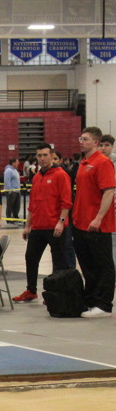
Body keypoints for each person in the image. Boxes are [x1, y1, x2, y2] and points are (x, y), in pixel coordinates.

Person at [13, 143, 72, 303]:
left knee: (59, 261)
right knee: (30, 258)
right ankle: (31, 291)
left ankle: (56, 293)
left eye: (45, 155)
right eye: (39, 155)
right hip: (38, 227)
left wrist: (61, 222)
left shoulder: (61, 175)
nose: (42, 158)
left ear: (51, 156)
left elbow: (66, 202)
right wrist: (27, 226)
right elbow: (32, 204)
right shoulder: (37, 177)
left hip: (55, 227)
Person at [71, 126, 116, 318]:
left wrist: (98, 218)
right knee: (87, 265)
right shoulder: (83, 163)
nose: (81, 142)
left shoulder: (102, 162)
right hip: (80, 223)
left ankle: (104, 305)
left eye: (85, 139)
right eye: (80, 139)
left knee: (103, 265)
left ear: (96, 142)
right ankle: (91, 300)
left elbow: (109, 192)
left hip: (97, 225)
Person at [3, 157, 22, 224]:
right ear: (13, 163)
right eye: (17, 162)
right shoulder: (8, 171)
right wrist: (9, 191)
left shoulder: (15, 170)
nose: (18, 163)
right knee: (10, 206)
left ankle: (15, 218)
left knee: (17, 206)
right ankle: (9, 219)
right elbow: (7, 181)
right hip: (12, 192)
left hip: (17, 191)